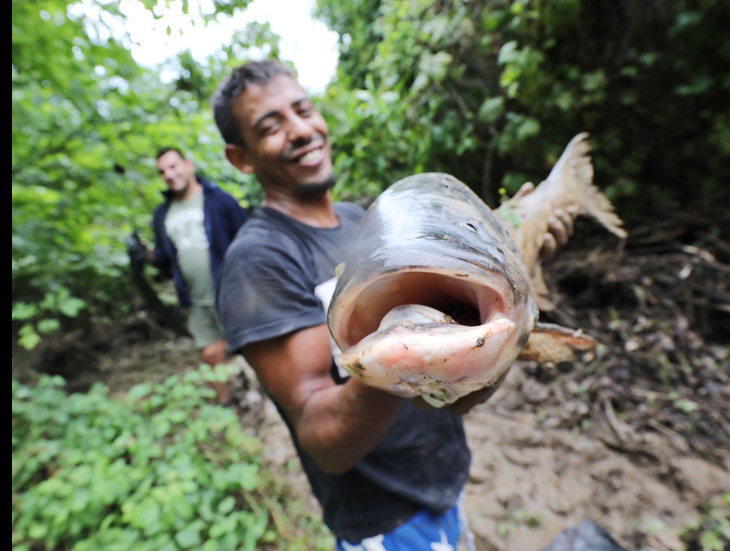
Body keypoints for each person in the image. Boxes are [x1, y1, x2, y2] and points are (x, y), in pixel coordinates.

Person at [211, 59, 577, 550]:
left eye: (303, 110)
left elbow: (455, 396)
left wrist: (512, 296)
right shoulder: (257, 259)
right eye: (271, 126)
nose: (300, 130)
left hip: (442, 483)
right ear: (241, 158)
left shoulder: (357, 219)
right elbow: (324, 440)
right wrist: (401, 351)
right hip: (382, 520)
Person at [126, 147, 248, 406]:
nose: (169, 174)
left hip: (232, 293)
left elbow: (248, 239)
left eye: (173, 166)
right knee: (210, 353)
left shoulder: (220, 201)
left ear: (188, 165)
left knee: (252, 347)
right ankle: (225, 406)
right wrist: (144, 255)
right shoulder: (162, 214)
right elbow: (164, 257)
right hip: (195, 299)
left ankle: (273, 398)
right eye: (162, 171)